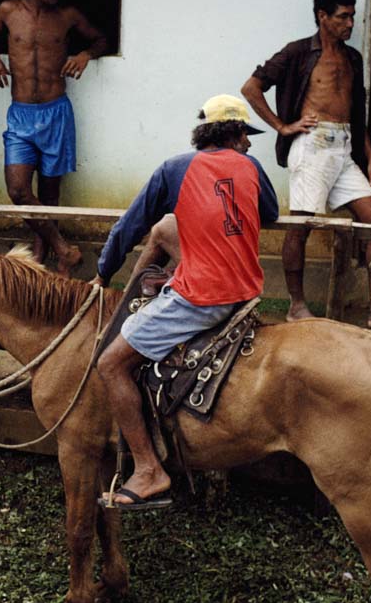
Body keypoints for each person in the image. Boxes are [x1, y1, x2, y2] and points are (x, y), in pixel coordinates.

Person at [93, 96, 278, 510]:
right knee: (167, 229)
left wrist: (103, 272)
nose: (249, 144)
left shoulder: (175, 169)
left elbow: (130, 226)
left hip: (205, 297)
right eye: (246, 135)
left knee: (111, 363)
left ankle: (148, 469)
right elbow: (270, 213)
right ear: (234, 133)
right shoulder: (252, 168)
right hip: (246, 288)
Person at [241, 0, 371, 330]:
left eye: (352, 16)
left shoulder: (353, 58)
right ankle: (297, 306)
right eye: (342, 17)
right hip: (312, 145)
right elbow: (251, 87)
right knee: (301, 225)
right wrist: (282, 126)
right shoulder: (299, 53)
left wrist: (370, 156)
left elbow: (355, 109)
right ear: (323, 17)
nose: (350, 24)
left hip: (345, 146)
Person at [0, 0, 108, 277]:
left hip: (56, 112)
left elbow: (100, 39)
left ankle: (44, 253)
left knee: (50, 194)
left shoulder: (68, 16)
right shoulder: (8, 11)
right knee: (19, 190)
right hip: (20, 115)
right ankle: (64, 249)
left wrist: (84, 55)